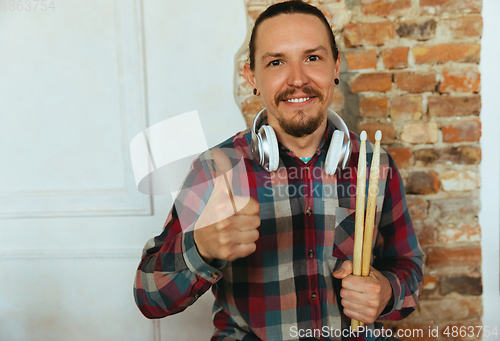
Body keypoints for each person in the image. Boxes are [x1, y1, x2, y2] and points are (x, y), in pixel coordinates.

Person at [133, 1, 424, 340]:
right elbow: (149, 297)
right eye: (276, 62)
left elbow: (408, 266)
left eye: (312, 58)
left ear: (336, 67)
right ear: (251, 77)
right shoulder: (218, 169)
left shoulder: (375, 165)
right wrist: (202, 247)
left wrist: (387, 291)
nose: (298, 79)